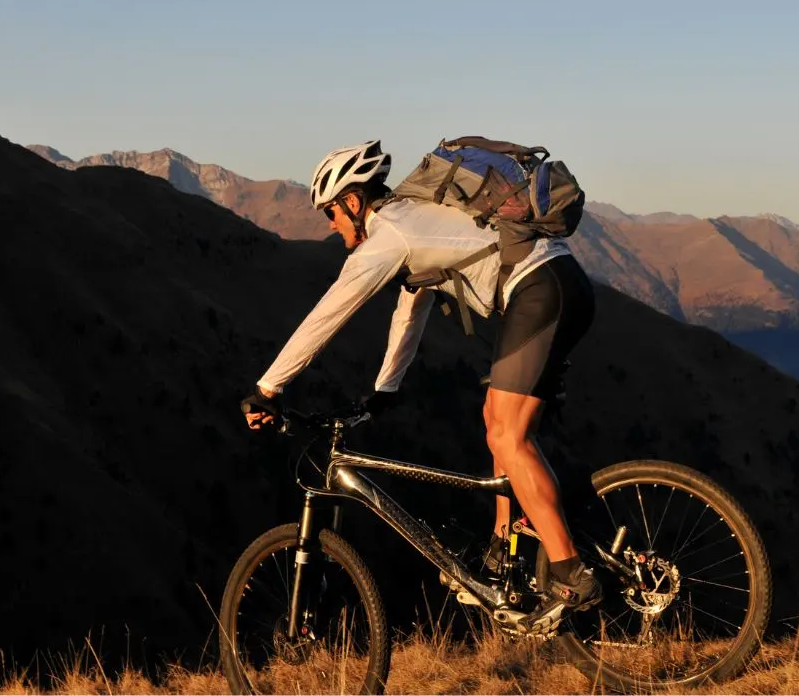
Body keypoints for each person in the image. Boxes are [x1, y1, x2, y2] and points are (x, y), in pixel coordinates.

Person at [241, 140, 601, 626]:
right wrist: (386, 388)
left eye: (330, 212)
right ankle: (502, 550)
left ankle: (570, 573)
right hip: (555, 284)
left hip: (540, 289)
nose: (329, 225)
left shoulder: (389, 233)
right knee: (496, 420)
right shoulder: (412, 218)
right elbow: (412, 307)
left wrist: (268, 388)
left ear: (352, 201)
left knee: (507, 433)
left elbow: (328, 314)